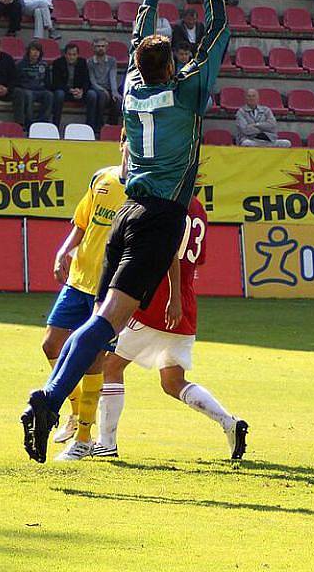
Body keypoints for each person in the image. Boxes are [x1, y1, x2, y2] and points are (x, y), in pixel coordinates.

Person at [20, 0, 231, 464]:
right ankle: (48, 400)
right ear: (175, 65)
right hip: (159, 218)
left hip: (127, 213)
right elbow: (219, 34)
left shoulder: (133, 90)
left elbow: (139, 34)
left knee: (101, 326)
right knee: (106, 322)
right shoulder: (188, 94)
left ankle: (60, 408)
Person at [96, 195, 248, 461]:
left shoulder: (168, 204)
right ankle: (229, 423)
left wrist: (171, 297)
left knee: (110, 366)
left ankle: (106, 442)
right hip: (186, 304)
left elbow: (168, 254)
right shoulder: (199, 209)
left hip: (159, 302)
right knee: (172, 382)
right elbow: (195, 260)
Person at [43, 150, 128, 460]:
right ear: (122, 144)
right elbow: (82, 223)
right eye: (128, 141)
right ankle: (75, 411)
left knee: (94, 360)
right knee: (51, 344)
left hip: (108, 289)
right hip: (78, 280)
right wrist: (63, 251)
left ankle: (84, 438)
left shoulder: (145, 189)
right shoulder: (102, 178)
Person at [52, 43, 97, 130]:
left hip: (79, 92)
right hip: (65, 92)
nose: (72, 57)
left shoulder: (82, 62)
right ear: (65, 54)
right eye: (69, 54)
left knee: (92, 95)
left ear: (77, 55)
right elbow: (56, 83)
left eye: (74, 55)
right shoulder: (57, 63)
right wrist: (69, 90)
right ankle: (55, 125)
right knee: (59, 94)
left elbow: (87, 81)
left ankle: (90, 127)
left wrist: (82, 91)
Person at [14, 41, 53, 130]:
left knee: (49, 95)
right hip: (26, 89)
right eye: (33, 50)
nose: (35, 53)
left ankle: (42, 122)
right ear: (28, 51)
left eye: (38, 51)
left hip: (40, 89)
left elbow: (47, 82)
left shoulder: (44, 65)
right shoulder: (20, 64)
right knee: (29, 95)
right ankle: (29, 122)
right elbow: (17, 81)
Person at [87, 38, 121, 134]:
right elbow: (92, 80)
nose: (100, 48)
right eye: (98, 46)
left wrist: (114, 92)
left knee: (117, 100)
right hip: (96, 88)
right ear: (93, 48)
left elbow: (113, 77)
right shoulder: (89, 62)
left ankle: (111, 126)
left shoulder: (112, 61)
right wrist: (102, 90)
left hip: (108, 88)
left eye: (103, 46)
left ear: (107, 48)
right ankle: (98, 125)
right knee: (101, 96)